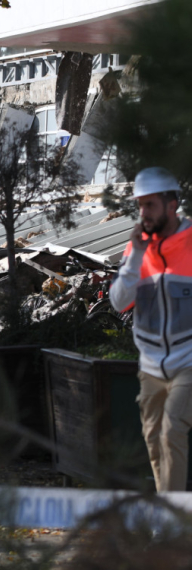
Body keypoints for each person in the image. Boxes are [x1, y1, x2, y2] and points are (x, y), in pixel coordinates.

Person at [110, 166, 192, 492]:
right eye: (140, 205)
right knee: (154, 439)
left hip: (188, 361)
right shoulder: (136, 250)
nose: (143, 213)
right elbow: (119, 302)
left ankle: (171, 524)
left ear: (172, 205)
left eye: (151, 205)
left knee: (172, 431)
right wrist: (135, 258)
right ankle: (168, 517)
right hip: (151, 365)